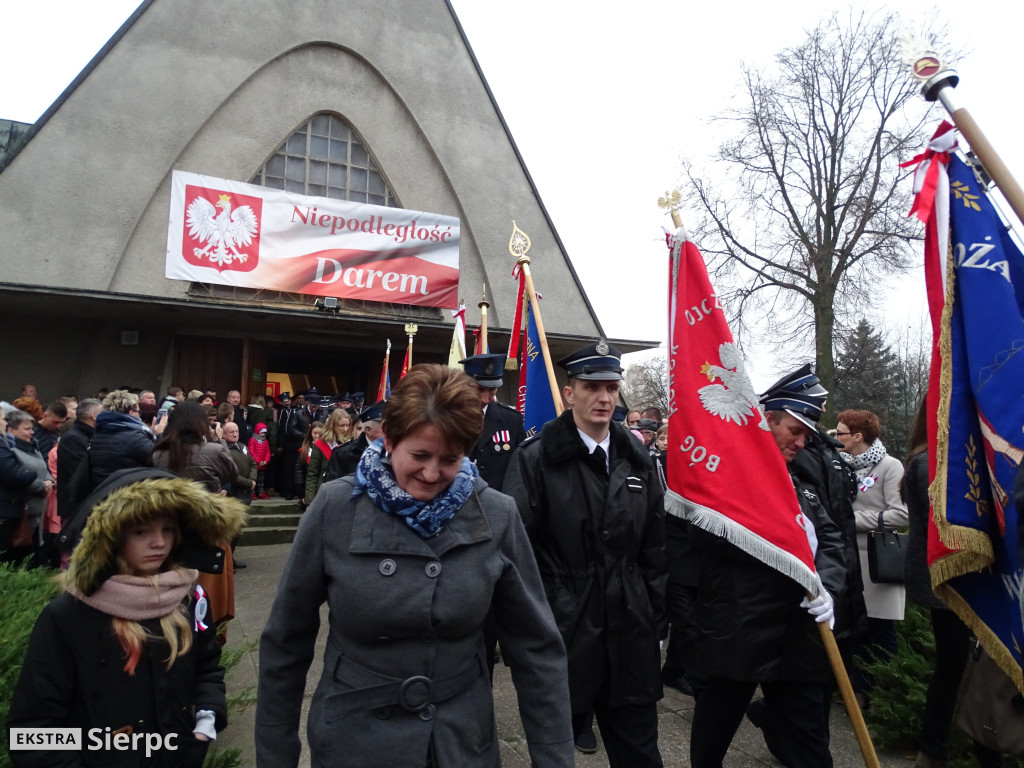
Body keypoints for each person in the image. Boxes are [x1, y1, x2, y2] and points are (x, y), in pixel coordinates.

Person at [255, 364, 573, 768]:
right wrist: (275, 755)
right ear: (388, 440)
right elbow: (286, 639)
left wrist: (554, 758)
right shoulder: (335, 507)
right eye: (419, 455)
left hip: (459, 741)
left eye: (450, 459)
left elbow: (536, 649)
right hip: (355, 738)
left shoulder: (496, 513)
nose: (431, 473)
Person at [7, 470, 245, 767]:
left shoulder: (188, 597)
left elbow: (206, 666)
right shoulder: (68, 616)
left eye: (168, 530)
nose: (159, 542)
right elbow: (33, 730)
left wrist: (205, 719)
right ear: (113, 536)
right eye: (141, 531)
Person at [504, 341, 667, 768]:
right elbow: (516, 548)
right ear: (570, 391)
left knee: (641, 753)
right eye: (592, 386)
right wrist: (538, 619)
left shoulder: (638, 461)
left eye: (612, 387)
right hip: (564, 631)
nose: (604, 397)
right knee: (555, 754)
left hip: (630, 631)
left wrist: (653, 611)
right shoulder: (537, 458)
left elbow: (655, 545)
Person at [688, 365, 848, 768]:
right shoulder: (722, 476)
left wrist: (828, 587)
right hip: (739, 630)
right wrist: (779, 538)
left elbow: (830, 540)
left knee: (810, 746)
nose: (801, 442)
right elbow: (703, 541)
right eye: (794, 431)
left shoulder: (800, 479)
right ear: (767, 419)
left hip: (797, 636)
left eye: (807, 436)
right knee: (713, 736)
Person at [904, 402, 1004, 768]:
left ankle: (936, 750)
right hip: (952, 583)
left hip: (953, 582)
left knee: (957, 669)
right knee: (963, 671)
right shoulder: (934, 462)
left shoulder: (938, 458)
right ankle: (952, 751)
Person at [836, 408, 908, 706]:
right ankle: (851, 688)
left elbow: (901, 514)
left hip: (878, 563)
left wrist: (852, 519)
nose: (836, 437)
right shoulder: (839, 465)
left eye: (840, 433)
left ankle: (877, 692)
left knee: (880, 630)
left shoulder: (890, 467)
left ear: (857, 436)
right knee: (851, 628)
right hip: (847, 561)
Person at [152, 401, 241, 639]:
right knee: (212, 593)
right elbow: (233, 473)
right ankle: (209, 638)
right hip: (209, 527)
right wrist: (218, 439)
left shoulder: (158, 451)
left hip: (173, 528)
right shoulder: (212, 450)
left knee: (176, 587)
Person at [460, 353, 527, 492]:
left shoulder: (511, 420)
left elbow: (519, 471)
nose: (485, 399)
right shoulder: (448, 417)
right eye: (479, 389)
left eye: (492, 390)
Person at [7, 408, 55, 564]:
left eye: (31, 428)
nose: (31, 432)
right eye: (26, 429)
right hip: (21, 515)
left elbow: (44, 469)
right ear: (11, 430)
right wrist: (41, 486)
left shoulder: (34, 448)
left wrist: (50, 482)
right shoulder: (10, 451)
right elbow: (15, 477)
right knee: (18, 559)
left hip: (38, 514)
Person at [85, 389, 155, 492]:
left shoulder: (100, 431)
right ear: (131, 412)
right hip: (126, 493)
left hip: (103, 490)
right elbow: (158, 458)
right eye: (138, 411)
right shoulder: (133, 436)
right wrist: (160, 435)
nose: (139, 415)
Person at [56, 398, 102, 519]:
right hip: (75, 507)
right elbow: (80, 472)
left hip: (88, 504)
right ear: (94, 416)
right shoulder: (72, 439)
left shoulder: (92, 436)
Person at [323, 401, 386, 482]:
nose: (390, 431)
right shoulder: (342, 455)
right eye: (384, 428)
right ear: (368, 430)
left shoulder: (392, 451)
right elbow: (333, 489)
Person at [303, 409, 350, 505]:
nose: (345, 429)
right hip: (324, 493)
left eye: (347, 425)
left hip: (345, 494)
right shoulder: (320, 444)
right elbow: (312, 474)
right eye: (342, 426)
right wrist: (310, 501)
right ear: (333, 425)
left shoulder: (351, 443)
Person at [248, 422, 272, 499]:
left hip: (263, 465)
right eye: (262, 433)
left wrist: (266, 461)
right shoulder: (252, 440)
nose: (263, 435)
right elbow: (251, 452)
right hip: (255, 465)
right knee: (254, 479)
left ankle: (261, 493)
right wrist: (258, 462)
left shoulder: (265, 441)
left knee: (261, 481)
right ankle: (253, 493)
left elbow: (268, 452)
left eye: (265, 433)